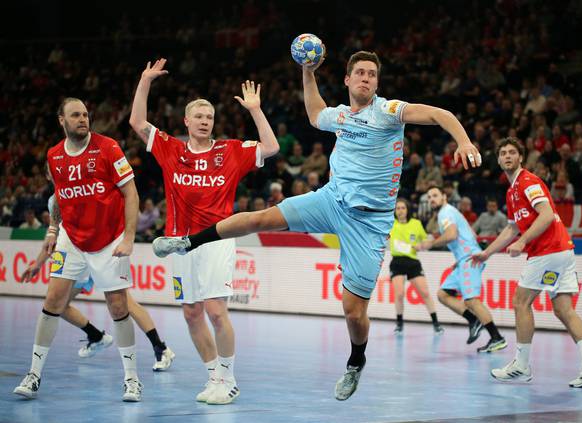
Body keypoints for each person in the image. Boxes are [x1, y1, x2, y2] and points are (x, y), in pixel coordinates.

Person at [152, 50, 482, 401]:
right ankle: (187, 242)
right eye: (360, 73)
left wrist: (463, 140)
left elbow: (438, 113)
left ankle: (356, 362)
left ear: (377, 83)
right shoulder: (339, 115)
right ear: (347, 80)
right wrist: (308, 72)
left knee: (354, 313)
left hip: (369, 223)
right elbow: (313, 113)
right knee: (262, 217)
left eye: (372, 74)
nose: (366, 79)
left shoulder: (387, 111)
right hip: (331, 200)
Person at [129, 58, 279, 404]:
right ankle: (213, 376)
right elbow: (137, 121)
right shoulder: (172, 149)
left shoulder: (229, 152)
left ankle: (228, 378)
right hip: (180, 245)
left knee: (215, 310)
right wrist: (145, 80)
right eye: (198, 117)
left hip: (216, 241)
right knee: (191, 313)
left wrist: (255, 110)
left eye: (209, 117)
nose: (205, 121)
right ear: (186, 121)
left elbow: (271, 148)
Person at [14, 98, 142, 401]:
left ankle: (132, 379)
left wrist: (129, 238)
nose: (83, 119)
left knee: (119, 306)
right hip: (71, 238)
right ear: (62, 120)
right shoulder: (54, 155)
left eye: (85, 114)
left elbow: (131, 192)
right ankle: (33, 375)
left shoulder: (108, 147)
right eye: (75, 115)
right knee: (53, 300)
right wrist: (52, 231)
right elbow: (60, 197)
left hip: (110, 239)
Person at [471, 137, 582, 388]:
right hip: (561, 251)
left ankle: (521, 365)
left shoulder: (528, 182)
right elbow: (512, 229)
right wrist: (487, 252)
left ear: (520, 157)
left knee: (521, 302)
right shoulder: (511, 191)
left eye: (513, 152)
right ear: (499, 160)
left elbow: (546, 215)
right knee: (563, 309)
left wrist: (523, 242)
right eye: (503, 153)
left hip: (548, 251)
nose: (508, 156)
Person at [20, 195, 174, 369]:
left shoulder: (82, 188)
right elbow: (57, 238)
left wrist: (38, 264)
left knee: (124, 304)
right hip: (79, 255)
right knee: (58, 305)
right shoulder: (56, 198)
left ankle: (159, 348)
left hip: (97, 250)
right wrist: (38, 264)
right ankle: (96, 337)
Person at [417, 186, 507, 353]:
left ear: (444, 196)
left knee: (472, 301)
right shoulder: (451, 212)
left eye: (435, 195)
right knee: (442, 294)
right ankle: (474, 321)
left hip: (469, 260)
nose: (432, 199)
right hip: (463, 260)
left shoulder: (445, 213)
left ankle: (496, 337)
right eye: (429, 197)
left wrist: (430, 243)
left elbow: (451, 235)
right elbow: (472, 233)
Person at [389, 198, 443, 334]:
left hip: (412, 262)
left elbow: (427, 240)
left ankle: (436, 323)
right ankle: (399, 323)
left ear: (407, 210)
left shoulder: (416, 224)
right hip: (397, 262)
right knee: (399, 294)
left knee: (425, 293)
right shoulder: (390, 224)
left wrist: (422, 245)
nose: (400, 211)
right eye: (398, 208)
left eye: (403, 208)